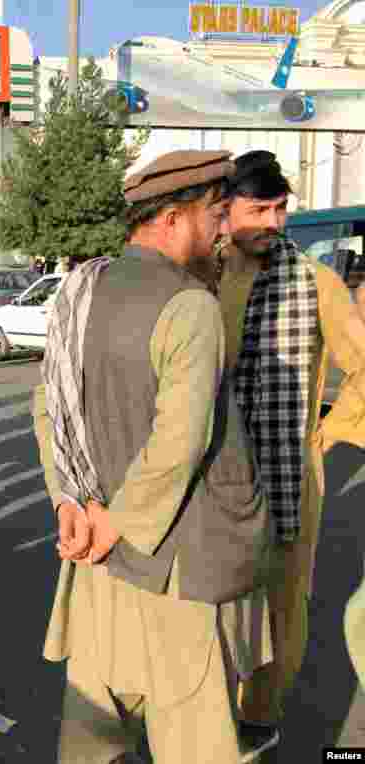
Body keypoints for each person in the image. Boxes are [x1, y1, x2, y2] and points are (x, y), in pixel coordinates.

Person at [34, 150, 275, 763]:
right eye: (215, 214)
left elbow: (49, 407)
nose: (225, 228)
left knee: (94, 739)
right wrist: (118, 522)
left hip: (96, 558)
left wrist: (71, 503)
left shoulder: (81, 291)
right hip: (179, 570)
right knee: (197, 743)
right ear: (171, 219)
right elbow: (181, 439)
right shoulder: (190, 304)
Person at [217, 150, 365, 744]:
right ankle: (207, 717)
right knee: (213, 603)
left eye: (281, 209)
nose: (275, 223)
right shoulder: (200, 275)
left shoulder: (316, 282)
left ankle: (260, 719)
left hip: (287, 478)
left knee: (281, 608)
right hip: (210, 479)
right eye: (261, 210)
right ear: (225, 211)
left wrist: (330, 434)